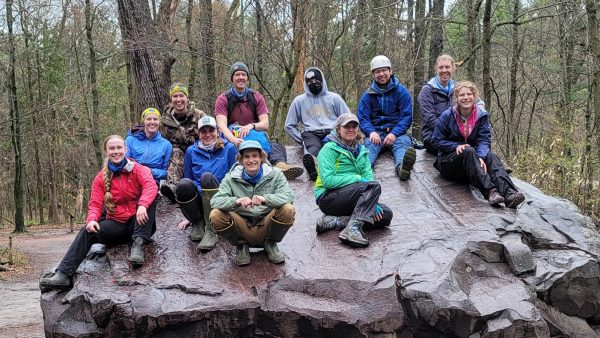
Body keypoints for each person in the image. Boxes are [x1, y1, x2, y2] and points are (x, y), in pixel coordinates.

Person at [40, 135, 158, 290]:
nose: (116, 151)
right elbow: (95, 204)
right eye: (112, 148)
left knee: (150, 198)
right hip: (117, 225)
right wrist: (91, 221)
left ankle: (138, 245)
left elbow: (151, 186)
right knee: (86, 231)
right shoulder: (100, 178)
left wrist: (142, 205)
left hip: (139, 225)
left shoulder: (138, 169)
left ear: (125, 150)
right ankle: (63, 274)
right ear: (106, 151)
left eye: (119, 148)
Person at [432, 81, 525, 208]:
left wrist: (481, 156)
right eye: (462, 95)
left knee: (491, 156)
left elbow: (484, 139)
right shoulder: (447, 116)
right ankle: (490, 192)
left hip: (472, 164)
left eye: (469, 94)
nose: (466, 98)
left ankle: (509, 193)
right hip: (449, 163)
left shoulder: (481, 116)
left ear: (475, 96)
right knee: (468, 151)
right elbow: (436, 141)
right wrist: (454, 146)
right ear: (457, 99)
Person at [210, 140, 295, 266]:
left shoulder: (275, 174)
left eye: (255, 156)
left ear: (261, 158)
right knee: (216, 214)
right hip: (242, 225)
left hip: (267, 224)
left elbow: (289, 196)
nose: (251, 160)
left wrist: (266, 199)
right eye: (246, 157)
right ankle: (241, 245)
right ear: (240, 160)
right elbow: (215, 201)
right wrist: (236, 201)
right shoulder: (230, 177)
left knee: (288, 209)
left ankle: (270, 243)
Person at [314, 113, 393, 248]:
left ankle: (338, 222)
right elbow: (328, 181)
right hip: (328, 198)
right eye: (346, 126)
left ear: (358, 129)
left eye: (354, 126)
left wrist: (373, 202)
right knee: (373, 187)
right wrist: (356, 178)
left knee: (386, 215)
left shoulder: (361, 150)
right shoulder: (328, 149)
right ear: (338, 129)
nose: (351, 129)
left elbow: (368, 178)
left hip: (354, 196)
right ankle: (352, 229)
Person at [214, 61, 303, 180]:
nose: (241, 77)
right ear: (232, 78)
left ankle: (280, 166)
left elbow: (265, 123)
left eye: (243, 75)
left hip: (254, 135)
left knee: (276, 146)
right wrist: (234, 140)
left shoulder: (256, 97)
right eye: (237, 75)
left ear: (247, 78)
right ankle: (243, 171)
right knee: (228, 149)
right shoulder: (223, 99)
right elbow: (221, 126)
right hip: (233, 138)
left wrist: (251, 126)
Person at [175, 116, 237, 251]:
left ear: (218, 131)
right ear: (198, 133)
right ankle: (197, 221)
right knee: (183, 184)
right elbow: (188, 178)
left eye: (211, 130)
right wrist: (188, 218)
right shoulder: (191, 151)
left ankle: (211, 229)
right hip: (199, 197)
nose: (208, 134)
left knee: (207, 178)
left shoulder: (229, 149)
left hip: (219, 197)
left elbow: (235, 177)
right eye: (203, 131)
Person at [285, 67, 351, 180]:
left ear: (322, 80)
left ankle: (334, 169)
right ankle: (313, 170)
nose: (314, 83)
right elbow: (289, 125)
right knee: (312, 151)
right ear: (306, 83)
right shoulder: (299, 101)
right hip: (311, 133)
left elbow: (347, 118)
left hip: (332, 131)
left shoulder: (334, 98)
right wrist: (301, 139)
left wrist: (345, 134)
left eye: (316, 81)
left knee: (331, 149)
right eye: (310, 82)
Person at [358, 55, 416, 180]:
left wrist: (395, 133)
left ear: (390, 71)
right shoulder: (367, 96)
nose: (381, 74)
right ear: (373, 75)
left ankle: (402, 168)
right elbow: (363, 118)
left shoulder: (402, 92)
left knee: (402, 146)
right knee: (369, 149)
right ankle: (364, 170)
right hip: (376, 134)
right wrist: (371, 132)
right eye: (377, 71)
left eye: (384, 70)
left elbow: (406, 117)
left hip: (397, 133)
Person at [160, 83, 207, 201]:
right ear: (171, 99)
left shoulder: (199, 115)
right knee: (175, 151)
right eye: (175, 96)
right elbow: (163, 142)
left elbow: (210, 133)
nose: (178, 99)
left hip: (198, 151)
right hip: (177, 156)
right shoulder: (165, 120)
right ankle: (172, 187)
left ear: (187, 98)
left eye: (181, 96)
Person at [418, 54, 457, 155]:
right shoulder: (427, 90)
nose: (444, 70)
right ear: (436, 69)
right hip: (433, 135)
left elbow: (475, 100)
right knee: (458, 151)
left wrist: (480, 105)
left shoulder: (458, 87)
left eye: (447, 67)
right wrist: (451, 132)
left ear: (453, 68)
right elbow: (430, 119)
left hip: (456, 134)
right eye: (441, 67)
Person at [125, 107, 173, 183]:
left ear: (159, 122)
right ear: (143, 122)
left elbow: (166, 173)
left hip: (153, 181)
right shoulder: (131, 140)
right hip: (132, 180)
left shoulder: (166, 145)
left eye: (155, 119)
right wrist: (139, 170)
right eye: (149, 119)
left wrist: (151, 171)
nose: (152, 122)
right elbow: (124, 162)